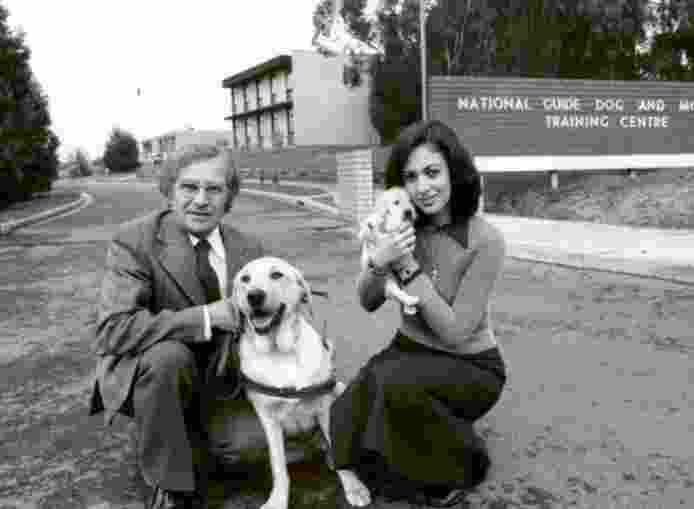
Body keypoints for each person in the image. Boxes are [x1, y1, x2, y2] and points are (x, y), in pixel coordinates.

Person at [88, 144, 314, 509]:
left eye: (214, 189)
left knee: (254, 449)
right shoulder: (135, 240)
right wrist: (207, 317)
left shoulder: (250, 248)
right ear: (170, 190)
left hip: (226, 382)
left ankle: (192, 443)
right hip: (164, 381)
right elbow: (113, 329)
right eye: (189, 188)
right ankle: (167, 484)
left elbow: (284, 313)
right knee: (168, 357)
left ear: (229, 198)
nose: (201, 200)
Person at [330, 120, 508, 507]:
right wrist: (378, 261)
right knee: (351, 405)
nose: (422, 187)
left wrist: (407, 264)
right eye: (411, 177)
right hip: (408, 350)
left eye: (432, 172)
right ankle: (430, 435)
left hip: (471, 365)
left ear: (454, 172)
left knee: (393, 386)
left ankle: (465, 459)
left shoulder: (485, 239)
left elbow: (456, 332)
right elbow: (368, 301)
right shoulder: (402, 224)